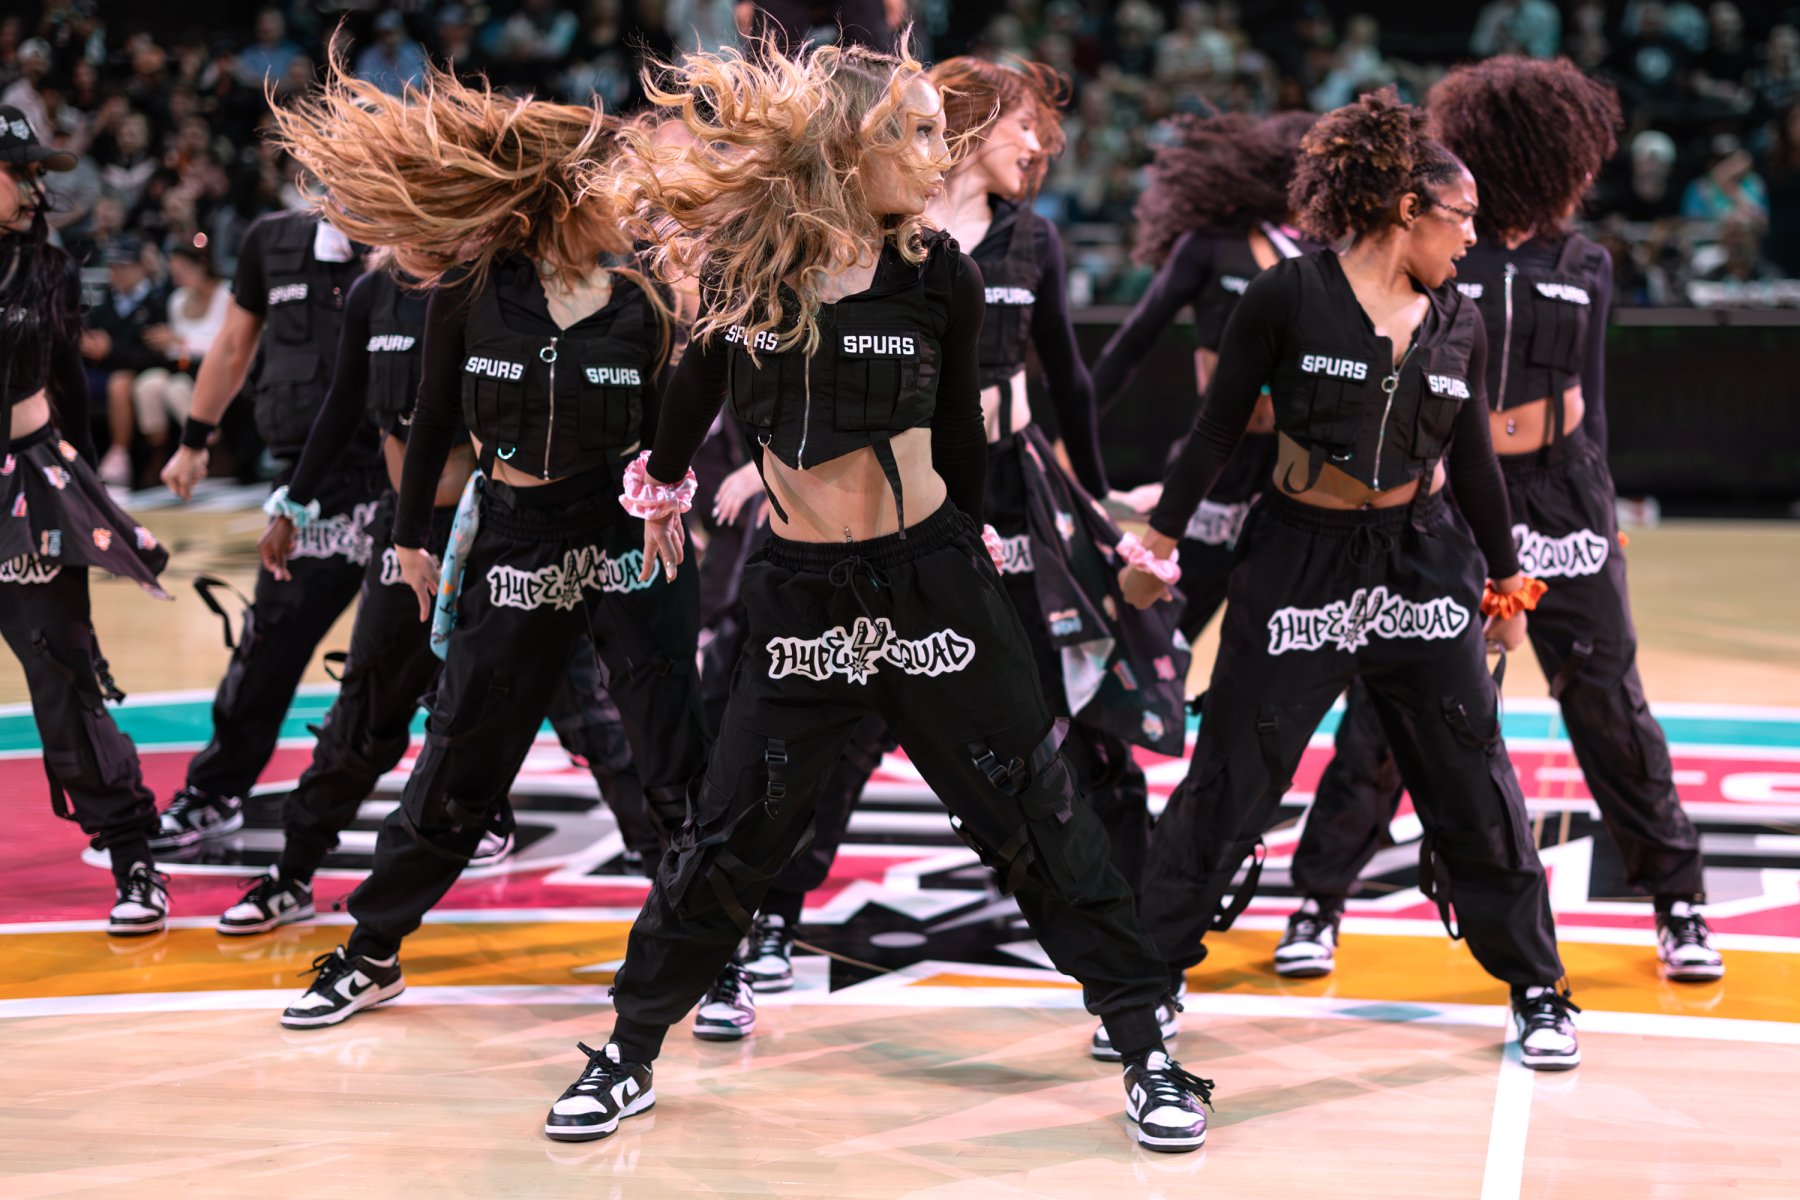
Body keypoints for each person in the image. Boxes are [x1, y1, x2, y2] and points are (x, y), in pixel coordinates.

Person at [542, 36, 1212, 1153]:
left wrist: (980, 555)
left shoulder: (940, 273)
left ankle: (1146, 1047)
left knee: (1039, 815)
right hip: (800, 597)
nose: (936, 148)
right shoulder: (744, 267)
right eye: (915, 128)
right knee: (729, 830)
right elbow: (692, 390)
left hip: (931, 583)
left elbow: (961, 440)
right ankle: (629, 1049)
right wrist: (660, 488)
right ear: (851, 143)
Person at [1122, 88, 1581, 1072]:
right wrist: (1158, 548)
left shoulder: (1459, 320)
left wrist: (1506, 584)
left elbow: (1477, 464)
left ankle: (1538, 987)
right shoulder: (1284, 296)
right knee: (1233, 775)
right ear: (1406, 210)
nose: (1471, 238)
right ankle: (1147, 982)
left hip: (1423, 559)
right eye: (1460, 217)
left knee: (1471, 779)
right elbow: (1215, 430)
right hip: (1298, 556)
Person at [263, 58, 712, 1029]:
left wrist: (670, 506)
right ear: (564, 196)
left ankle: (710, 957)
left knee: (672, 752)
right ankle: (373, 950)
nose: (630, 199)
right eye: (612, 183)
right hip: (514, 538)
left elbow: (671, 428)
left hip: (622, 537)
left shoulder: (648, 298)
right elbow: (432, 419)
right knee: (463, 752)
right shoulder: (473, 287)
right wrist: (410, 542)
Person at [1276, 57, 1722, 986]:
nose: (1584, 171)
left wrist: (1602, 502)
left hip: (1566, 491)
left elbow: (1592, 396)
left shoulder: (1586, 260)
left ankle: (1678, 900)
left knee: (1608, 699)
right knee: (1395, 702)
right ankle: (1319, 898)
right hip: (1446, 492)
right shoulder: (1442, 249)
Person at [211, 257, 657, 935]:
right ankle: (293, 872)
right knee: (365, 711)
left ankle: (676, 904)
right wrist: (295, 503)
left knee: (590, 717)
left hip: (506, 537)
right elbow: (343, 405)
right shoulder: (373, 293)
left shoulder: (495, 283)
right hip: (410, 541)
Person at [154, 202, 384, 852]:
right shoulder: (271, 239)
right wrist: (195, 438)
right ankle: (216, 789)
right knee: (270, 641)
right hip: (311, 484)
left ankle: (471, 805)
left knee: (436, 651)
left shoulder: (417, 226)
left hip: (406, 471)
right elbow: (234, 344)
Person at [0, 106, 172, 933]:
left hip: (26, 489)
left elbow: (68, 386)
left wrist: (90, 496)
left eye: (37, 171)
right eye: (19, 170)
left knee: (64, 674)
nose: (35, 186)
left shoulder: (49, 270)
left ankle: (134, 858)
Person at [1091, 110, 1316, 642]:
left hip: (1294, 464)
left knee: (1285, 632)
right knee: (1162, 627)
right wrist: (1072, 432)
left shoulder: (1329, 253)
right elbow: (1135, 339)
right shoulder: (1212, 243)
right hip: (1217, 457)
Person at [132, 243, 230, 476]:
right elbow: (177, 349)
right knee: (148, 384)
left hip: (218, 368)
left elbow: (229, 343)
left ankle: (212, 449)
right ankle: (159, 452)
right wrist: (165, 342)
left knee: (176, 389)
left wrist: (180, 341)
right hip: (184, 365)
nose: (179, 277)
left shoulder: (226, 293)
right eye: (174, 272)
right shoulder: (177, 299)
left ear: (201, 266)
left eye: (183, 269)